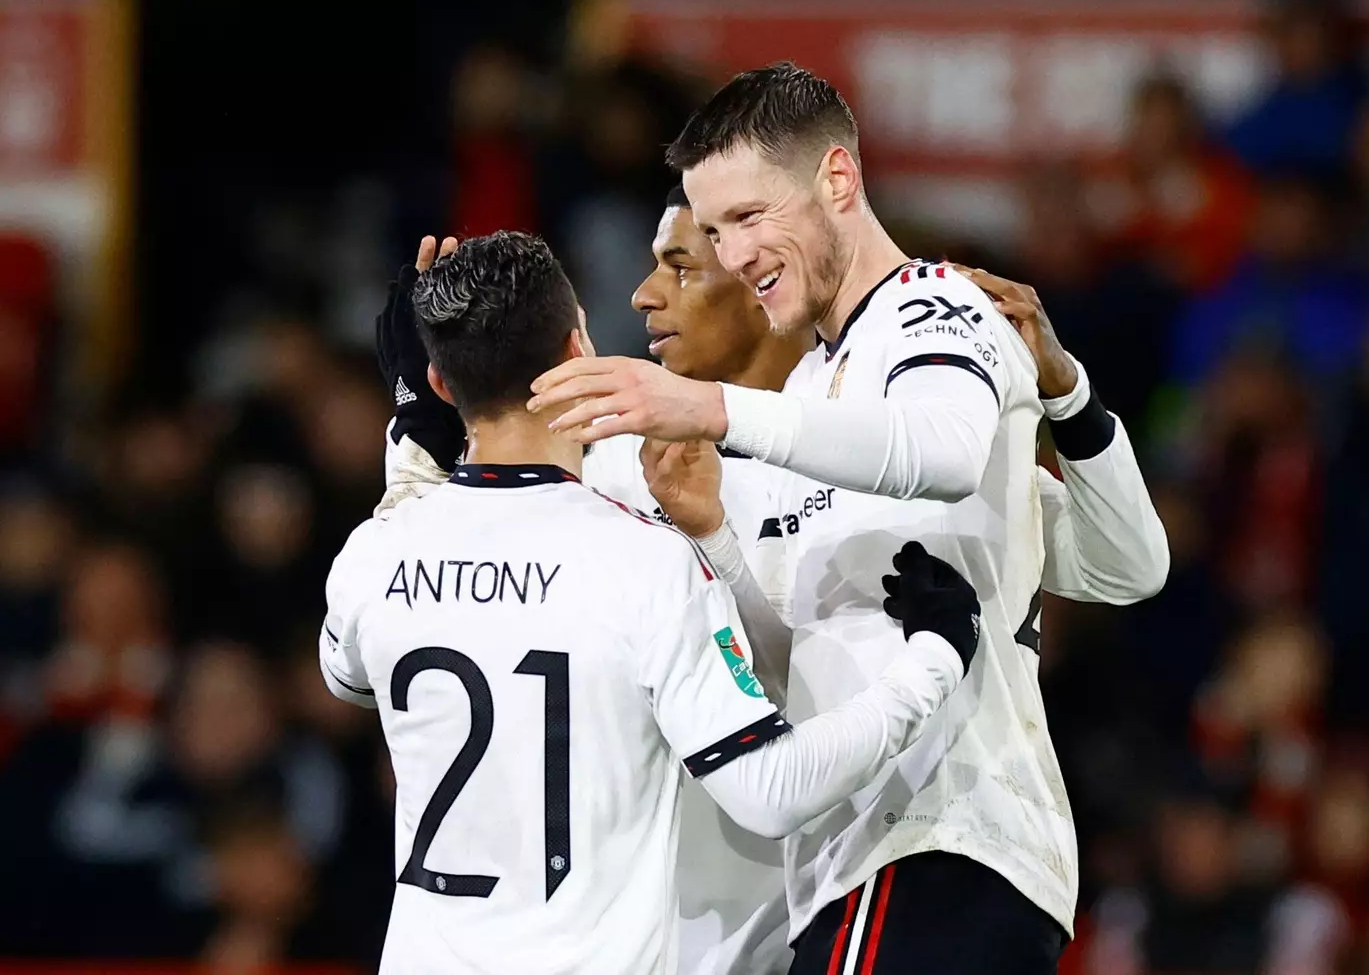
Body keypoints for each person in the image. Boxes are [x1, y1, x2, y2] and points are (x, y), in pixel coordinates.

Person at [382, 188, 1167, 973]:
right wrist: (432, 398)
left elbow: (1129, 564)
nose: (644, 295)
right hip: (642, 935)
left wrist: (1068, 390)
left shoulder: (891, 463)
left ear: (765, 286)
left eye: (681, 268)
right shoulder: (611, 465)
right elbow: (414, 596)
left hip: (813, 910)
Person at [322, 230, 983, 975]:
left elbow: (346, 673)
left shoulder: (373, 558)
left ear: (442, 384)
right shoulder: (645, 563)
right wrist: (930, 663)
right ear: (579, 352)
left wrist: (412, 431)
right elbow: (770, 789)